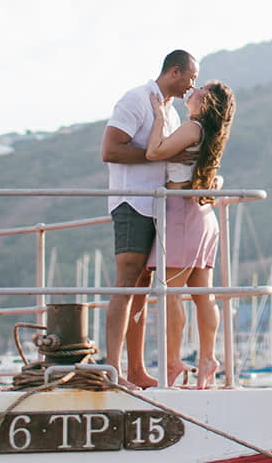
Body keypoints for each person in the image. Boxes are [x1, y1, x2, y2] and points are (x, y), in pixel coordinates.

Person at [100, 49, 197, 388]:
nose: (191, 85)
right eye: (190, 78)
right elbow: (110, 150)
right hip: (131, 202)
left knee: (141, 286)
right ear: (174, 72)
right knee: (125, 283)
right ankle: (112, 369)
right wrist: (159, 155)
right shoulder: (136, 100)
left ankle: (136, 369)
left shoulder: (168, 113)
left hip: (158, 208)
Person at [144, 81, 236, 388]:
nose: (191, 89)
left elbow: (154, 151)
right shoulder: (209, 134)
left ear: (206, 101)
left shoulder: (192, 128)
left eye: (199, 88)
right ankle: (207, 359)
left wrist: (159, 117)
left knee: (170, 293)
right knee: (203, 294)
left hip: (182, 214)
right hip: (202, 215)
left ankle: (173, 362)